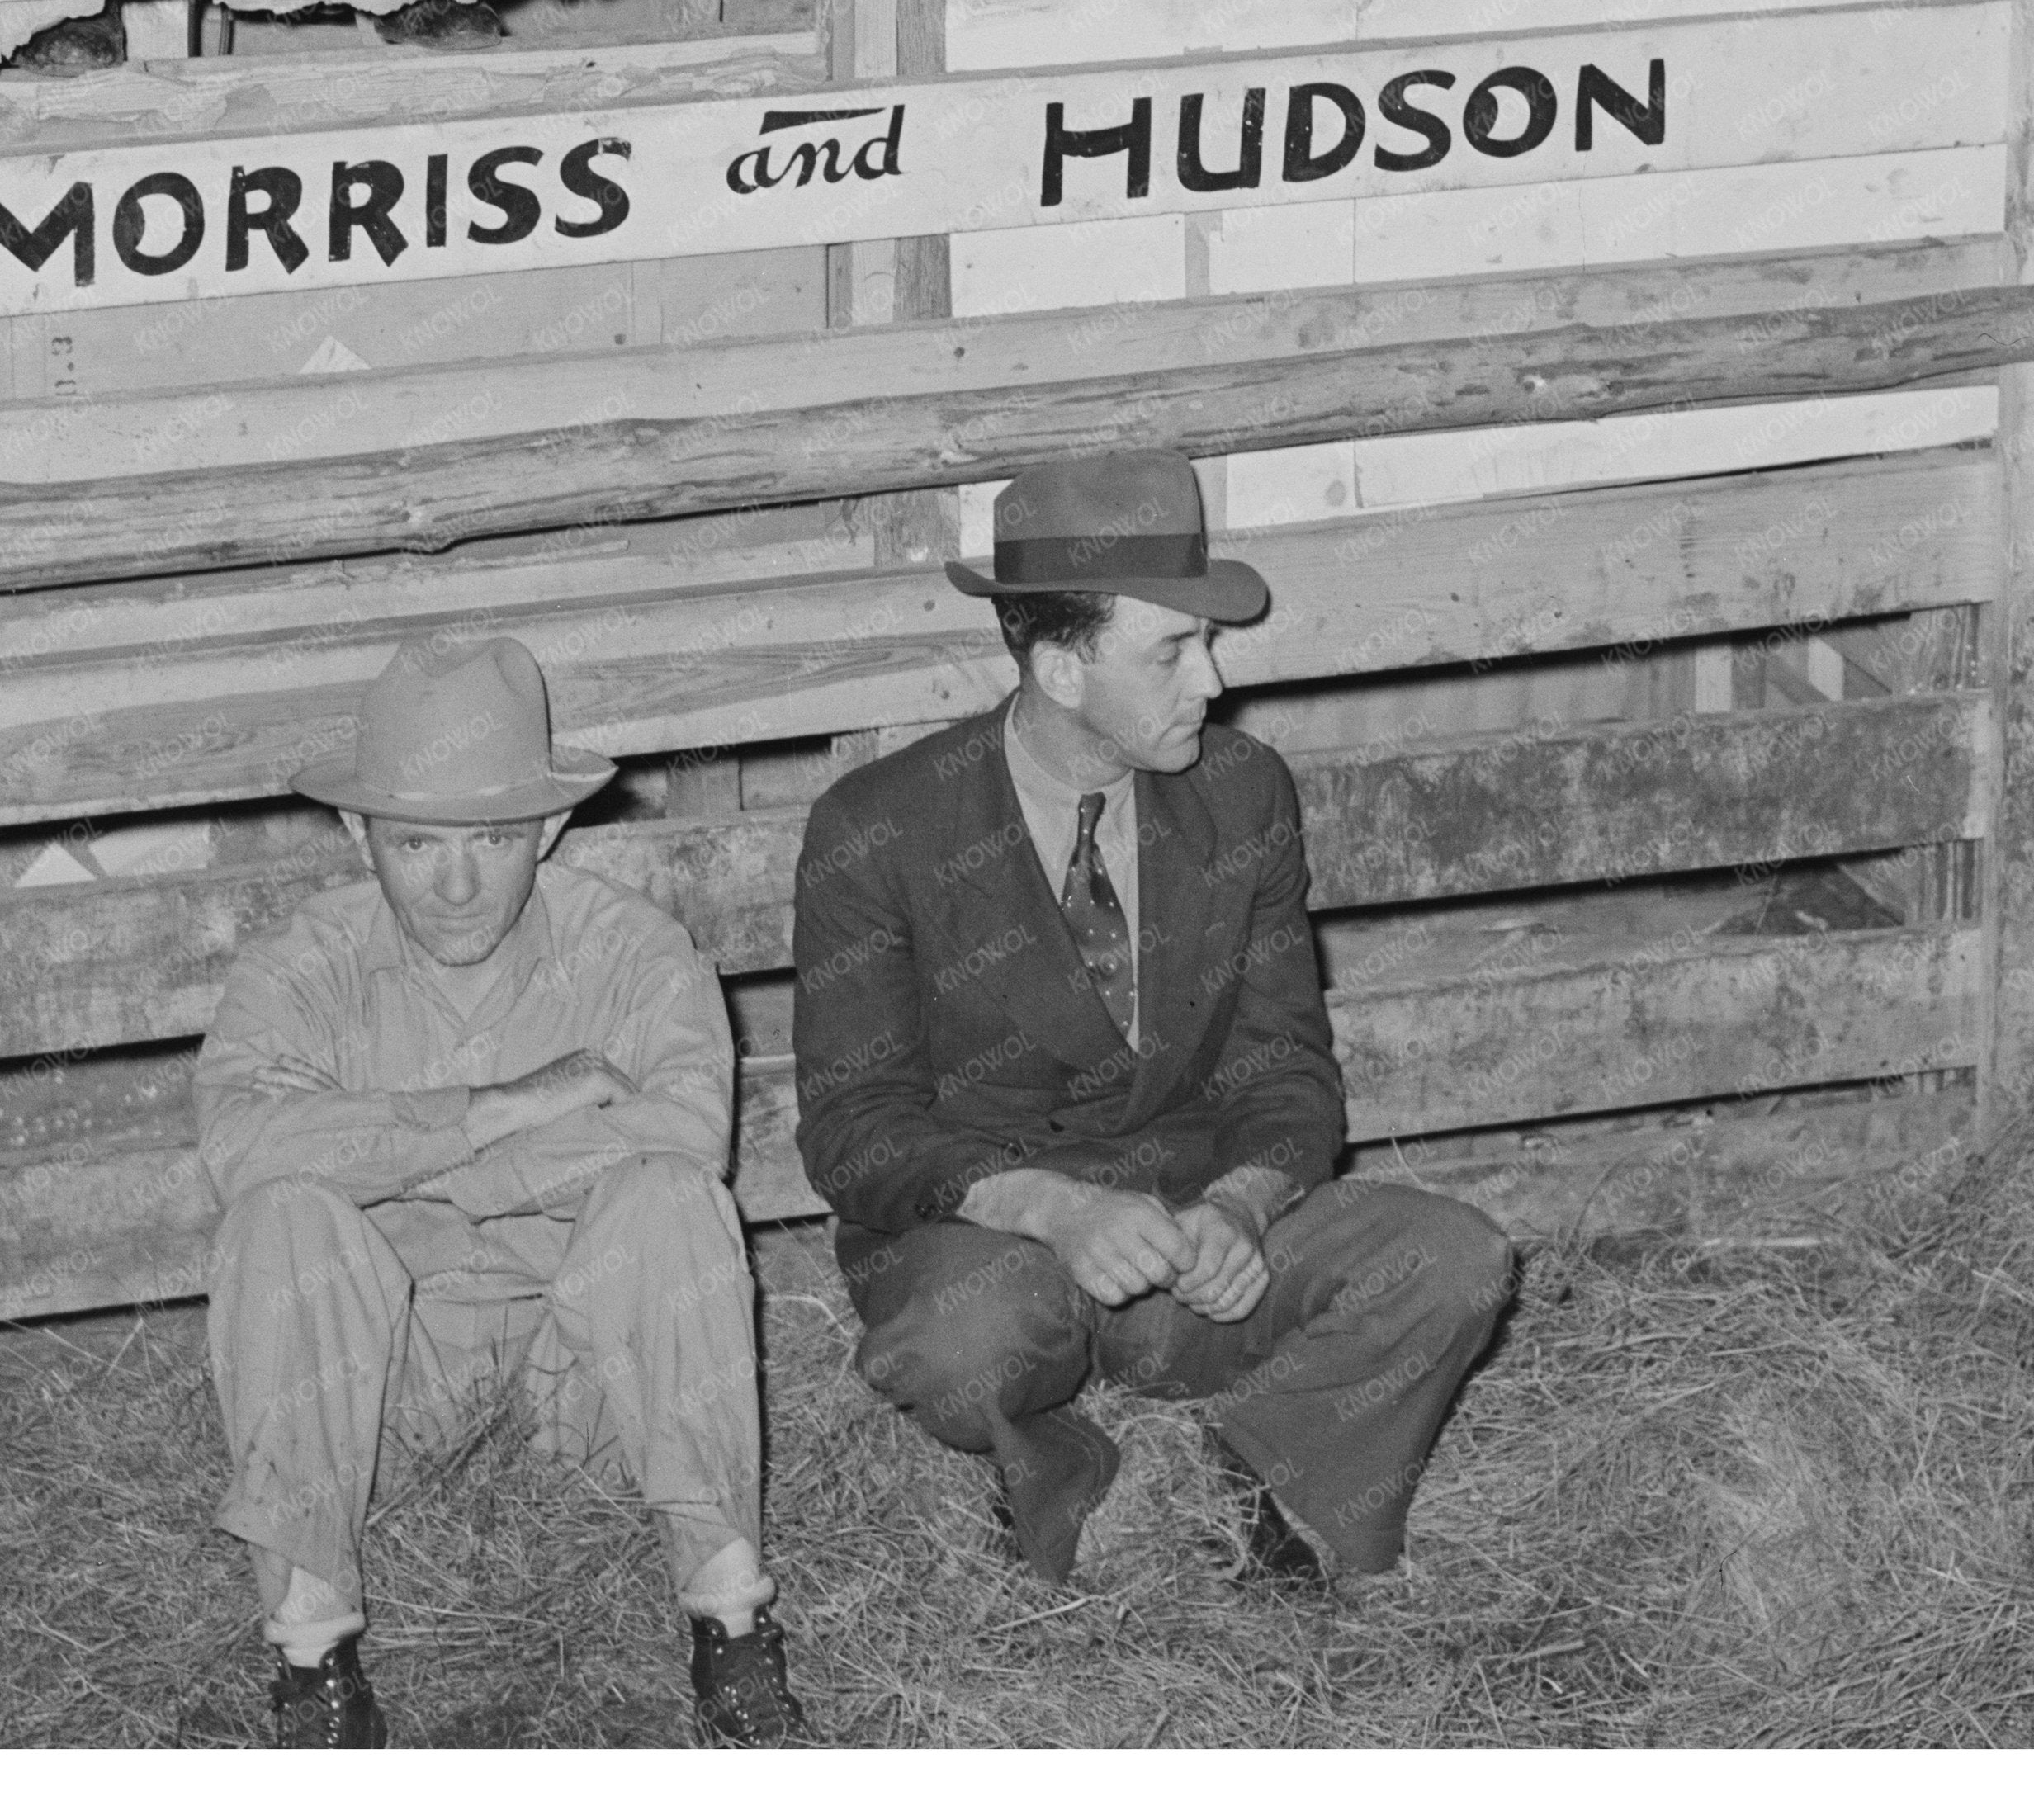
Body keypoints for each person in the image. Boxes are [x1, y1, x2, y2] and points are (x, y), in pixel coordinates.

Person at [790, 450, 1514, 1593]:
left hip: (1190, 1233)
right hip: (997, 1240)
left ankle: (1263, 1470)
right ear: (1061, 665)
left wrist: (1241, 1202)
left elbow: (1286, 1066)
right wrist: (1054, 1207)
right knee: (954, 1351)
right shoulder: (879, 827)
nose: (1211, 681)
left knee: (1456, 1259)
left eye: (1206, 643)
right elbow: (853, 1129)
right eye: (1173, 649)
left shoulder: (1240, 790)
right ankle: (1063, 1462)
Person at [197, 634, 800, 1747]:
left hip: (595, 1389)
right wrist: (496, 1107)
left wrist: (413, 1169)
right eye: (416, 843)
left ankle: (732, 1631)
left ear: (550, 829)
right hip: (376, 1404)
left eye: (493, 838)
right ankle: (313, 1661)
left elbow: (684, 1129)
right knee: (279, 1215)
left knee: (669, 1198)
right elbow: (243, 1146)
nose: (459, 884)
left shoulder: (633, 951)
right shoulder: (299, 965)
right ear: (357, 832)